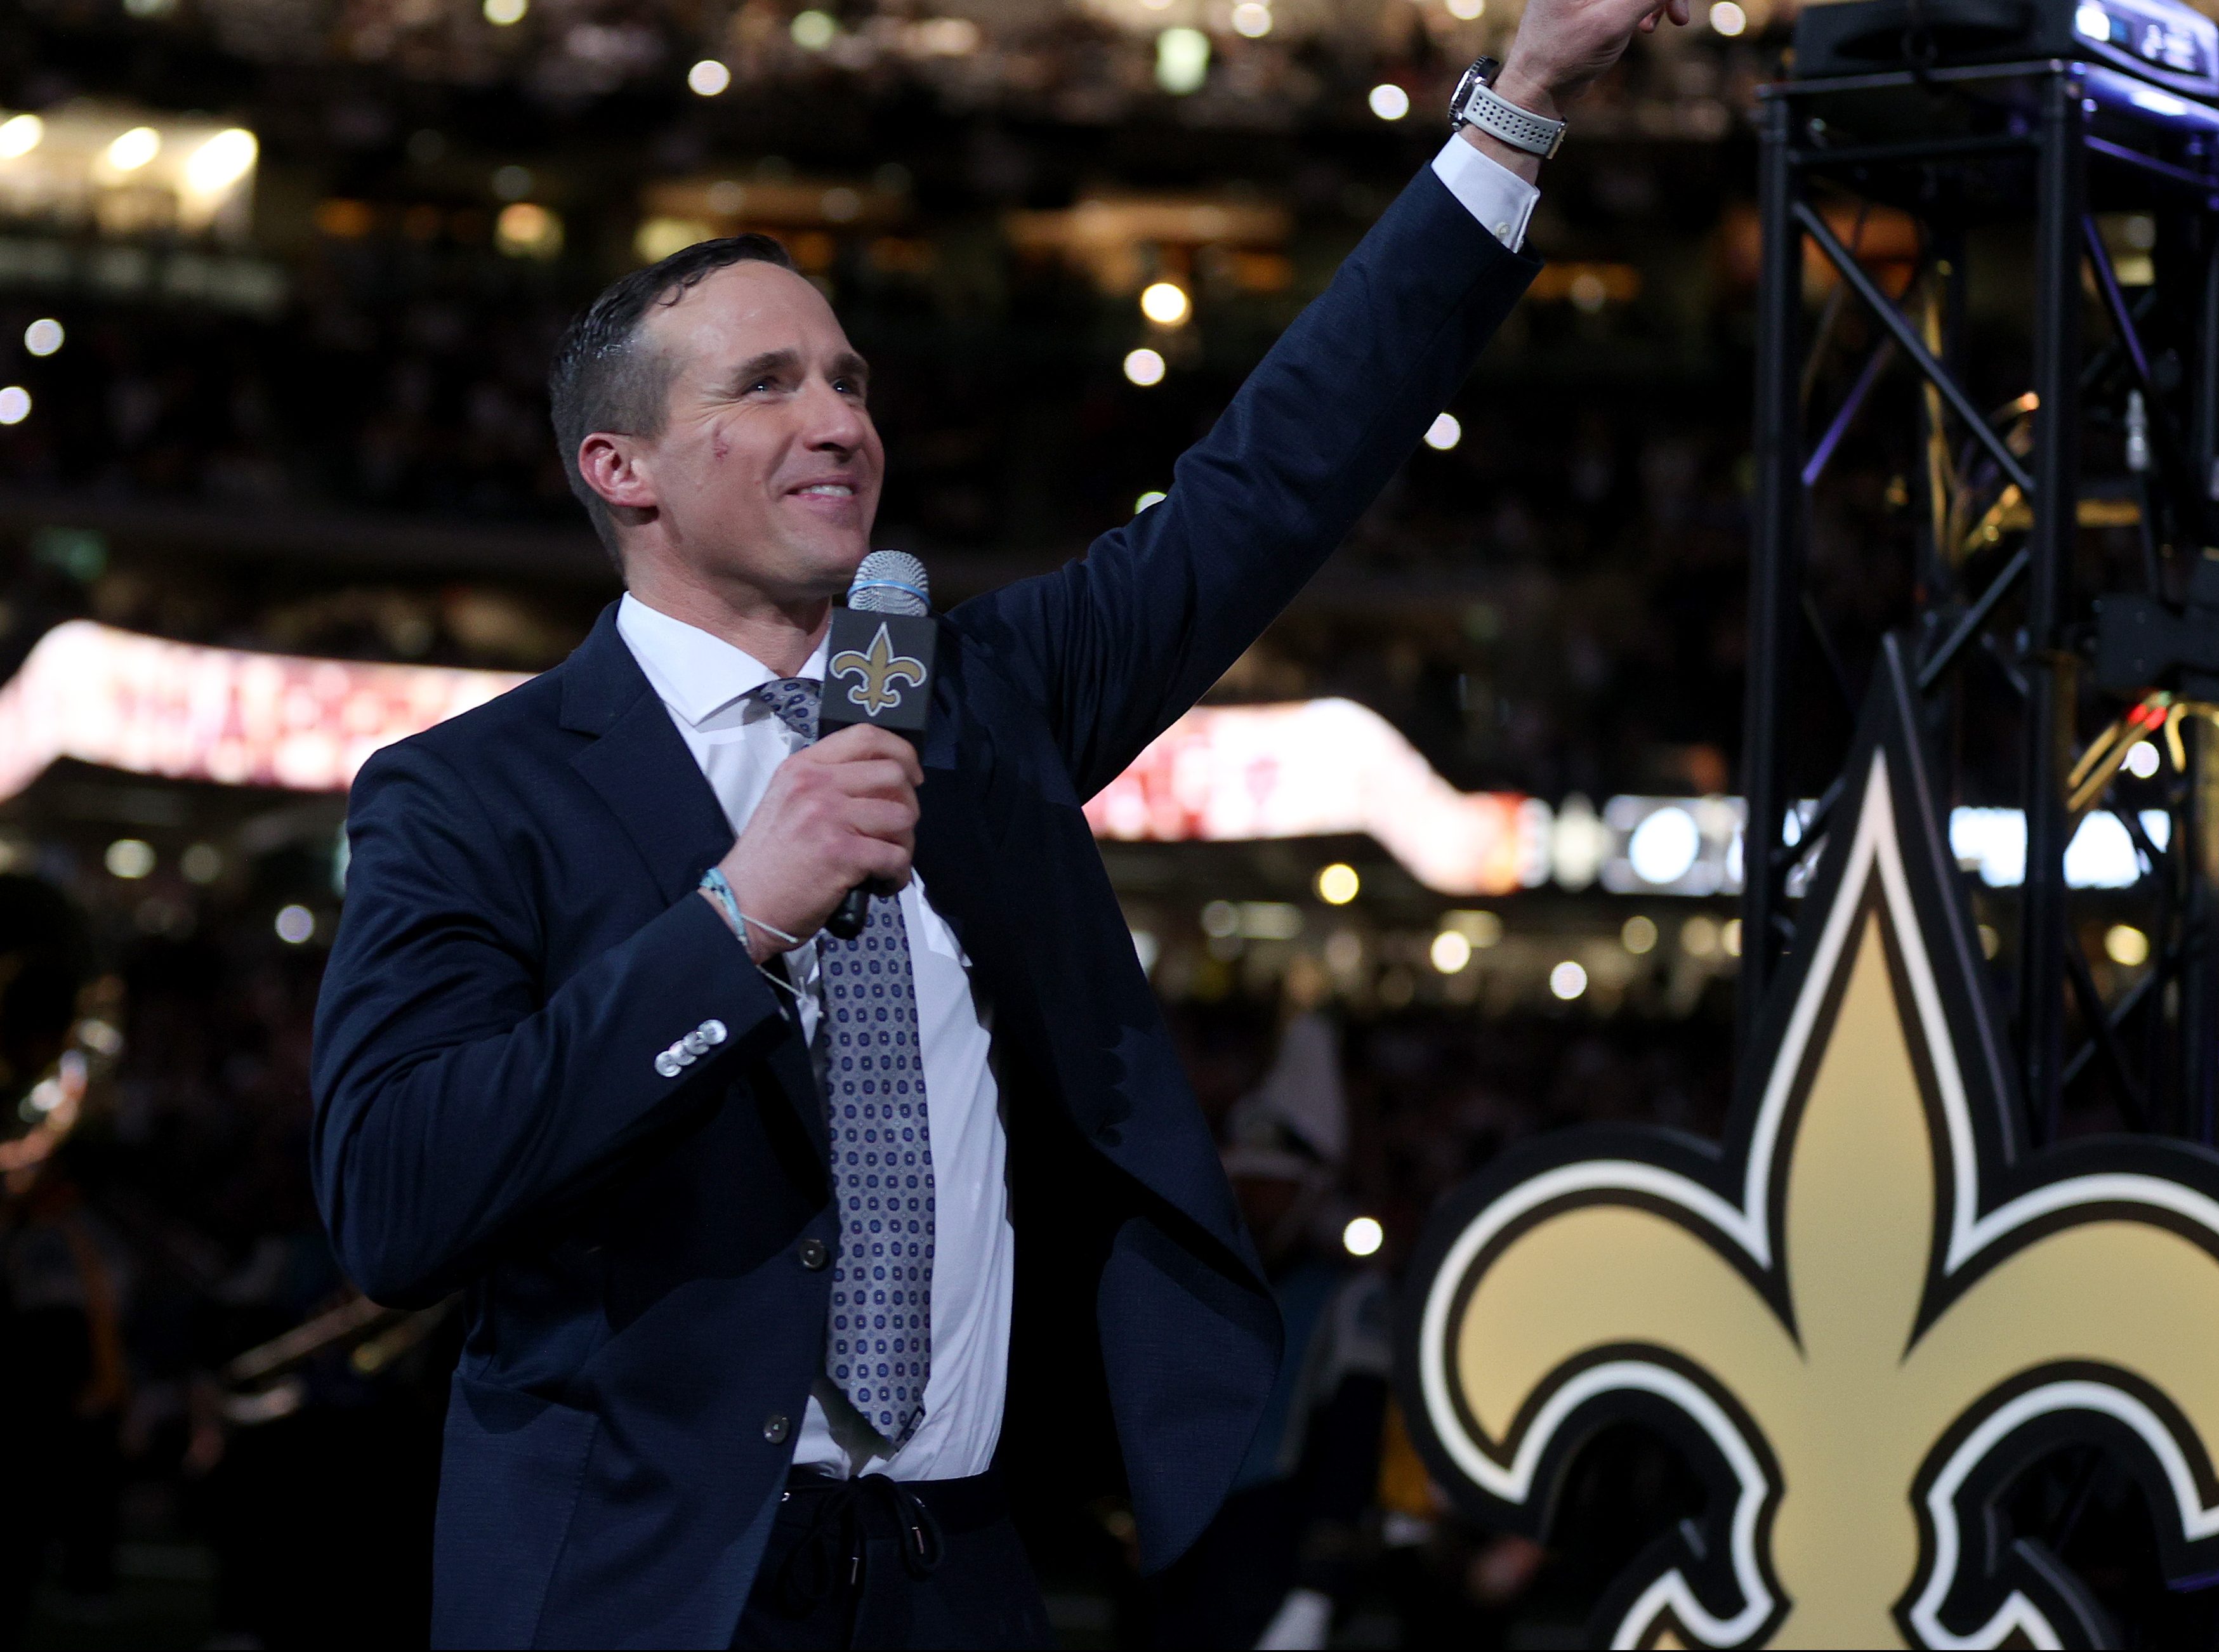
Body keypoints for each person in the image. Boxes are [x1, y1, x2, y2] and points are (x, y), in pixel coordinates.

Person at [310, 1, 1689, 1644]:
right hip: (638, 1587)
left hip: (956, 1571)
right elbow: (396, 1200)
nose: (841, 420)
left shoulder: (978, 703)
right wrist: (732, 924)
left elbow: (1269, 485)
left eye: (848, 380)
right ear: (623, 468)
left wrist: (1519, 104)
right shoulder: (473, 794)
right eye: (767, 384)